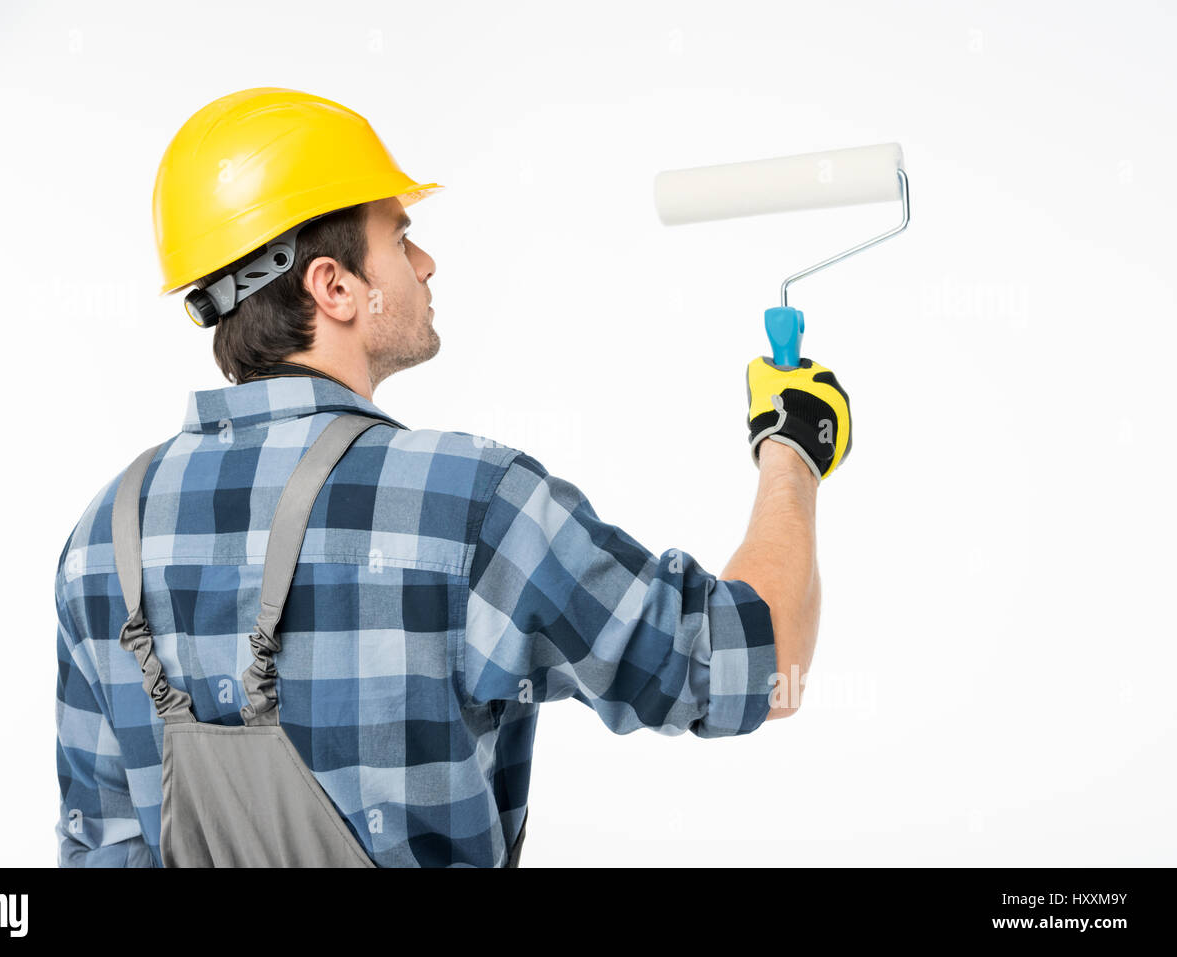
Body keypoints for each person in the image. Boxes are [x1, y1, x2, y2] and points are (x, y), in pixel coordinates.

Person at [54, 88, 852, 868]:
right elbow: (751, 662)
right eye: (401, 237)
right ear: (334, 286)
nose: (427, 261)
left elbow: (99, 846)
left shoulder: (101, 538)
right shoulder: (467, 504)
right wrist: (792, 450)